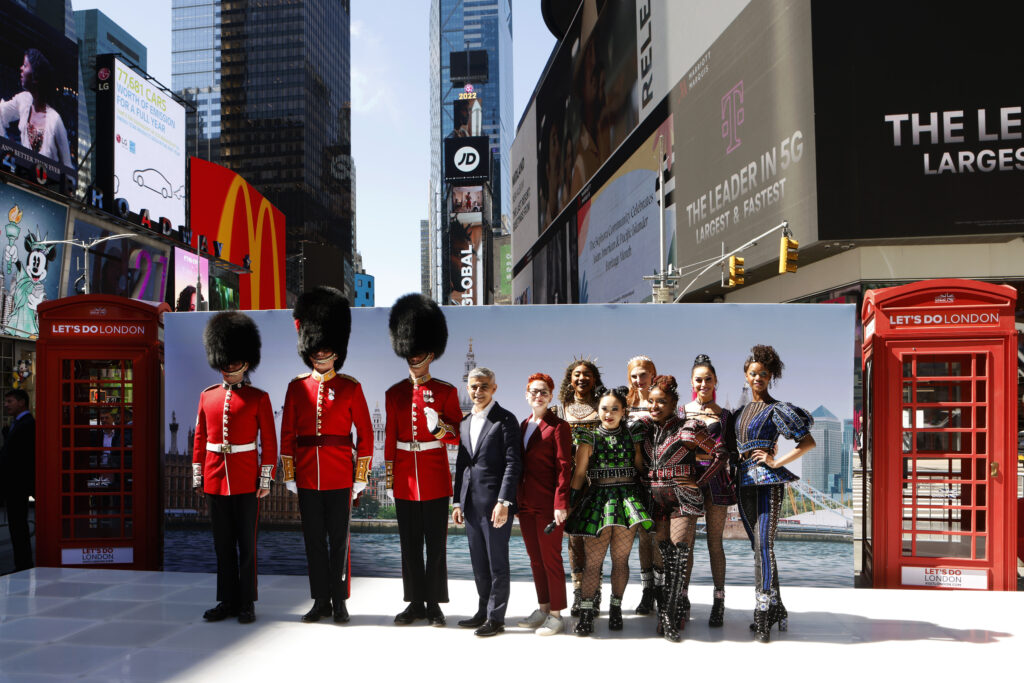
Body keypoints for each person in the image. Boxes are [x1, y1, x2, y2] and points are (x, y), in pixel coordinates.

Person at [281, 287, 373, 624]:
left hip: (339, 476)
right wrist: (289, 474)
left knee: (339, 542)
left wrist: (360, 477)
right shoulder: (296, 387)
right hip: (306, 475)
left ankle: (340, 600)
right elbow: (287, 433)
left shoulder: (351, 387)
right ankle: (320, 600)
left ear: (337, 353)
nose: (322, 355)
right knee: (313, 543)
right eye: (316, 351)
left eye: (327, 351)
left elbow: (366, 433)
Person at [193, 312, 277, 624]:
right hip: (215, 479)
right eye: (225, 362)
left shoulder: (259, 398)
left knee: (246, 546)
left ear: (245, 362)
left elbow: (269, 441)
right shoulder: (207, 396)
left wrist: (265, 477)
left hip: (245, 480)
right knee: (222, 546)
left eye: (234, 362)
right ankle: (226, 600)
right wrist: (198, 474)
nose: (229, 369)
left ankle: (247, 602)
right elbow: (200, 438)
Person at [385, 293, 462, 626]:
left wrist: (439, 427)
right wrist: (389, 479)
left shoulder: (445, 392)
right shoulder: (394, 393)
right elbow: (390, 439)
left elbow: (457, 435)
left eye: (419, 353)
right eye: (410, 353)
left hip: (433, 474)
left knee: (436, 544)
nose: (413, 359)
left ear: (431, 354)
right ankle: (414, 601)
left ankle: (434, 603)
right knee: (409, 545)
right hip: (404, 476)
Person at [633, 375, 727, 642]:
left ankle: (670, 615)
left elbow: (720, 454)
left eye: (661, 401)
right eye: (651, 401)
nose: (654, 406)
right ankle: (670, 610)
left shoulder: (689, 427)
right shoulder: (644, 429)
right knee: (663, 558)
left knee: (679, 555)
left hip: (684, 498)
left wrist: (700, 481)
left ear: (674, 402)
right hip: (656, 500)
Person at [735, 344, 815, 643]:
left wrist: (775, 461)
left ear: (771, 377)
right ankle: (778, 607)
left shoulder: (777, 409)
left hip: (768, 482)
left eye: (763, 374)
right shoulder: (738, 413)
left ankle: (763, 613)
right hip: (741, 483)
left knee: (764, 547)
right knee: (758, 548)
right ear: (746, 375)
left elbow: (807, 443)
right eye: (753, 373)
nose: (758, 378)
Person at [564, 386, 652, 636]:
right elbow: (579, 474)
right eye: (604, 408)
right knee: (593, 562)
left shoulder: (633, 434)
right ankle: (587, 612)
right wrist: (570, 503)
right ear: (598, 410)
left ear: (624, 411)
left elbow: (638, 465)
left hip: (627, 502)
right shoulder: (588, 437)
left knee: (621, 560)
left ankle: (615, 609)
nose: (609, 413)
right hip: (598, 501)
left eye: (615, 409)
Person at [452, 367, 521, 637]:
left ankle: (496, 618)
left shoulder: (506, 420)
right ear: (468, 389)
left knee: (497, 563)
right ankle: (483, 611)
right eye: (473, 387)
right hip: (470, 504)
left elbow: (513, 464)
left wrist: (504, 501)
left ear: (494, 388)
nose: (477, 391)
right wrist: (457, 503)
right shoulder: (465, 422)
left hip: (496, 505)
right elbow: (461, 465)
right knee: (479, 562)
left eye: (483, 386)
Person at [681, 354, 738, 627]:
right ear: (692, 382)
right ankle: (682, 597)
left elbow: (732, 452)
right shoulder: (681, 412)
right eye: (699, 379)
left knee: (715, 543)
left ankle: (719, 601)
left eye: (708, 379)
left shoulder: (725, 416)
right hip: (688, 482)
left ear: (716, 381)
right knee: (687, 544)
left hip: (716, 482)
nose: (703, 383)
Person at [514, 372, 571, 636]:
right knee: (535, 560)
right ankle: (543, 607)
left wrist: (561, 504)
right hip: (525, 504)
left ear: (550, 397)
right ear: (526, 395)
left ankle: (557, 615)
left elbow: (563, 468)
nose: (538, 396)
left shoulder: (558, 426)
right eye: (534, 391)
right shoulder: (523, 425)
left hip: (549, 505)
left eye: (544, 392)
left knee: (551, 559)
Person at [552, 358, 603, 615]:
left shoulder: (604, 407)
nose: (581, 378)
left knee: (595, 536)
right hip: (569, 481)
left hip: (598, 481)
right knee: (573, 538)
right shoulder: (558, 409)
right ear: (569, 380)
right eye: (576, 374)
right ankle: (577, 592)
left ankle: (594, 593)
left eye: (587, 374)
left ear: (595, 379)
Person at [625, 355, 662, 615]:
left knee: (657, 534)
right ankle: (647, 590)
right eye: (634, 376)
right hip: (631, 476)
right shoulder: (624, 404)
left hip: (657, 475)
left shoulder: (660, 403)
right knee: (642, 536)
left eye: (644, 375)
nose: (639, 381)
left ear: (653, 374)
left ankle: (662, 589)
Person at [0, 49, 72, 167]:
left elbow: (68, 169)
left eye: (25, 65)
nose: (21, 68)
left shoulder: (55, 120)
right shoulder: (23, 100)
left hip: (46, 184)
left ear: (36, 77)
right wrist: (4, 144)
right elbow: (1, 113)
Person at [0, 388, 35, 571]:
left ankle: (23, 564)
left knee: (18, 527)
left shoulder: (28, 423)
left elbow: (21, 456)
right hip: (13, 484)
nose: (6, 405)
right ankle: (21, 562)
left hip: (18, 484)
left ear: (21, 402)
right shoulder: (16, 423)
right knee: (16, 527)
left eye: (10, 401)